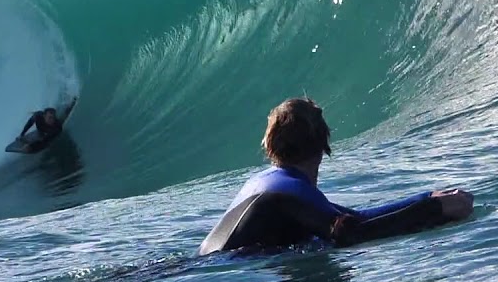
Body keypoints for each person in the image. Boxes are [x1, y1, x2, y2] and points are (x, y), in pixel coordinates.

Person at [198, 97, 474, 256]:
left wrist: (428, 197)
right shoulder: (291, 192)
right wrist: (434, 209)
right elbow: (352, 232)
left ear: (271, 145)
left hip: (204, 267)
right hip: (225, 269)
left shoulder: (265, 182)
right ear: (323, 144)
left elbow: (354, 217)